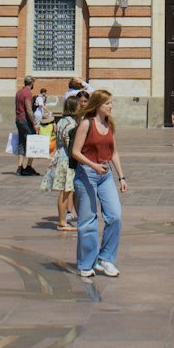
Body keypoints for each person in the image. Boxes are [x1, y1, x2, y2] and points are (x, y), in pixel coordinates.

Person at [70, 89, 127, 279]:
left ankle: (105, 259)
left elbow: (114, 152)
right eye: (107, 103)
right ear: (98, 105)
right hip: (87, 173)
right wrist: (93, 165)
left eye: (111, 103)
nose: (110, 106)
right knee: (88, 221)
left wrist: (121, 177)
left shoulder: (109, 124)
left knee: (115, 215)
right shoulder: (86, 124)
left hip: (105, 174)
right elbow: (76, 152)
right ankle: (86, 264)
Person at [42, 89, 86, 231]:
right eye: (79, 105)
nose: (81, 107)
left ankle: (66, 219)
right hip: (67, 160)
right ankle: (62, 222)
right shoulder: (72, 124)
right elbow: (71, 145)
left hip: (59, 157)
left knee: (66, 190)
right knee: (65, 192)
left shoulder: (61, 121)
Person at [15, 75, 39, 176]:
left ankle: (19, 167)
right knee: (32, 142)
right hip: (25, 120)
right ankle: (28, 167)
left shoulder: (19, 92)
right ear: (32, 83)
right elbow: (28, 109)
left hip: (18, 119)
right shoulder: (28, 93)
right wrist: (34, 123)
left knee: (22, 142)